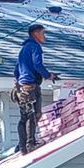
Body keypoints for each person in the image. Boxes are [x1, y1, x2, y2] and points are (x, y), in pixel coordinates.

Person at [13, 23, 58, 153]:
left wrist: (18, 82)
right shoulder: (35, 47)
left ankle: (21, 146)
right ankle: (29, 144)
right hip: (31, 87)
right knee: (33, 115)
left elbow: (17, 69)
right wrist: (49, 75)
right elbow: (37, 64)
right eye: (42, 33)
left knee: (24, 117)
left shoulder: (24, 48)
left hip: (22, 87)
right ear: (36, 34)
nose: (44, 36)